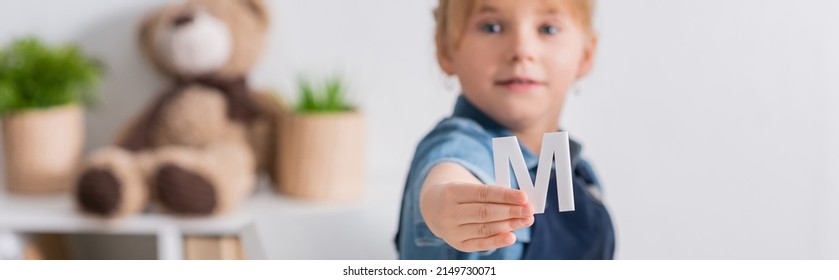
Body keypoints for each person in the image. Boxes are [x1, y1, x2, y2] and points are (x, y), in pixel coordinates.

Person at [396, 0, 615, 259]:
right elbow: (447, 173)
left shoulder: (579, 171)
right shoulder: (461, 142)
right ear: (445, 48)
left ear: (586, 54)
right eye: (492, 27)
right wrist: (443, 204)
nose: (521, 50)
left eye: (548, 29)